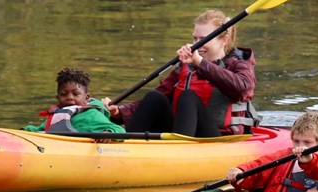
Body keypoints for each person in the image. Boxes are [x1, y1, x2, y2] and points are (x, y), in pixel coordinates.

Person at [107, 9, 260, 137]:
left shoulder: (239, 63)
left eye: (203, 39)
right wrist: (120, 112)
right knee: (154, 97)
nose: (197, 44)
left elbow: (244, 89)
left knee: (188, 97)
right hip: (182, 131)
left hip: (218, 137)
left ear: (224, 39)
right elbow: (158, 98)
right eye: (195, 39)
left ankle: (179, 153)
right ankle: (127, 144)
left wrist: (200, 63)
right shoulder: (186, 65)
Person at [226, 110, 318, 192]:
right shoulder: (285, 155)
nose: (300, 146)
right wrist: (241, 171)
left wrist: (311, 161)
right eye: (296, 141)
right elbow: (260, 165)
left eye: (307, 142)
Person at [22, 67, 125, 134]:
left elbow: (120, 130)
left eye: (76, 94)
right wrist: (22, 132)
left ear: (86, 98)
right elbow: (40, 130)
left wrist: (107, 133)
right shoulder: (56, 115)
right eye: (63, 94)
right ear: (57, 98)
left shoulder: (92, 115)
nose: (70, 97)